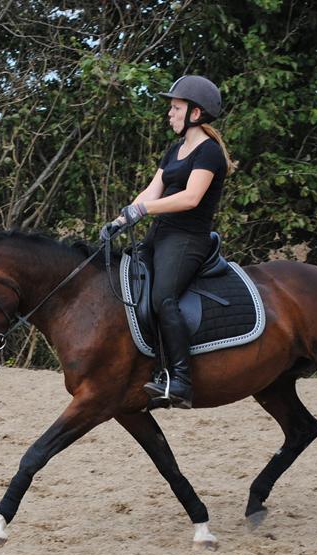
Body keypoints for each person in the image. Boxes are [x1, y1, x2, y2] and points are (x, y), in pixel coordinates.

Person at [102, 75, 237, 408]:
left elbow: (191, 198)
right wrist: (121, 219)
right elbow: (152, 189)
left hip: (188, 239)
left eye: (176, 108)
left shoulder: (209, 152)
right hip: (160, 234)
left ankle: (180, 380)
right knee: (129, 283)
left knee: (163, 297)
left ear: (195, 113)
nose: (170, 114)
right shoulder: (176, 149)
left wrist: (144, 209)